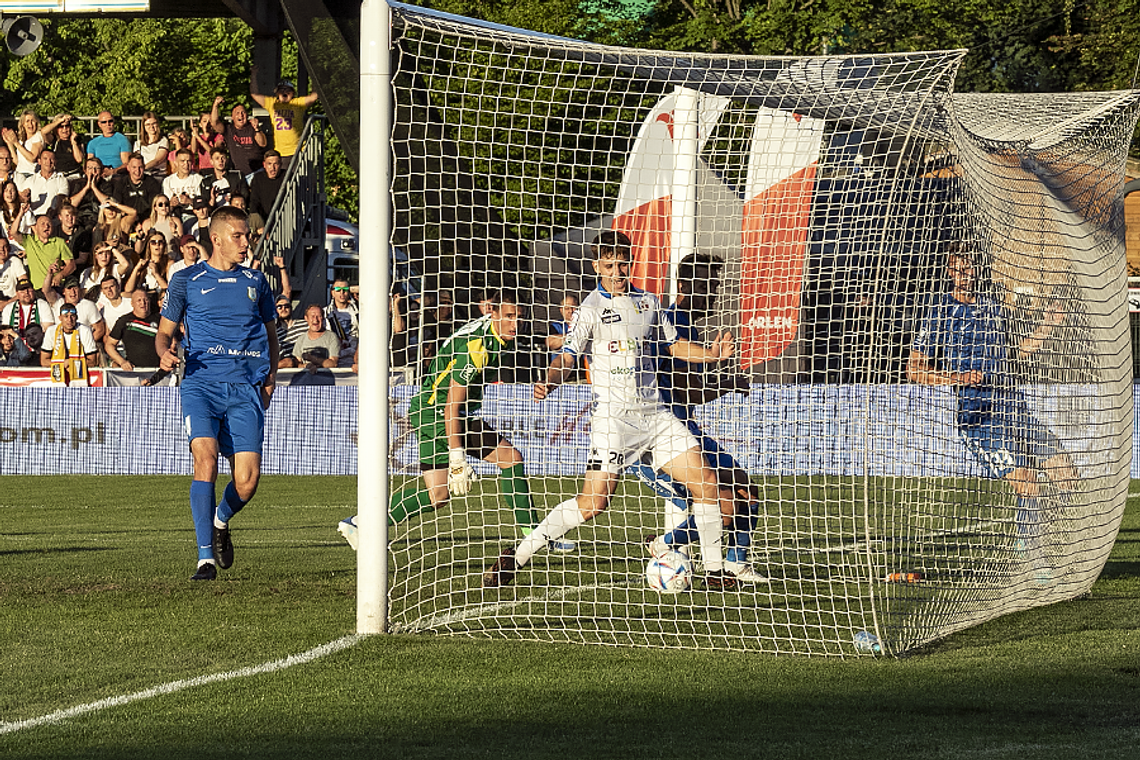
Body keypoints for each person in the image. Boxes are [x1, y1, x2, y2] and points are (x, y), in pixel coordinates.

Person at [482, 232, 737, 589]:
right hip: (615, 419)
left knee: (707, 482)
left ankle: (714, 572)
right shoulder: (588, 310)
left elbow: (675, 345)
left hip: (656, 415)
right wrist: (553, 379)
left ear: (630, 263)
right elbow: (568, 355)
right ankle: (518, 555)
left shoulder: (648, 302)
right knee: (593, 504)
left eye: (622, 264)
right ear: (596, 266)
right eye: (609, 265)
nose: (617, 272)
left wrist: (710, 354)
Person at [337, 289, 573, 554]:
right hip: (436, 413)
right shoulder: (478, 347)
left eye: (519, 316)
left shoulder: (499, 332)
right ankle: (360, 522)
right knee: (451, 489)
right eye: (508, 316)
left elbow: (537, 338)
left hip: (446, 412)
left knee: (500, 465)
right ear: (491, 313)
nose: (514, 323)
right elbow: (452, 405)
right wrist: (457, 459)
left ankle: (534, 535)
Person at [907, 248, 1076, 583]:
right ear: (950, 273)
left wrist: (1046, 326)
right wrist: (956, 378)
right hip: (978, 416)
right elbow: (914, 369)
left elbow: (1013, 354)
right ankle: (1032, 554)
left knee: (1066, 473)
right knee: (1027, 482)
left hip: (1013, 407)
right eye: (959, 269)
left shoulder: (993, 306)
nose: (967, 274)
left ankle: (1032, 531)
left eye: (970, 268)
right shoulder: (941, 310)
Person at [626, 253, 766, 583]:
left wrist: (723, 379)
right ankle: (664, 544)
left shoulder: (686, 322)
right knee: (725, 503)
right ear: (687, 284)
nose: (714, 292)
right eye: (708, 284)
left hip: (686, 429)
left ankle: (736, 562)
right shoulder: (672, 324)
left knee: (746, 490)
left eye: (715, 284)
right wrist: (727, 382)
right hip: (658, 438)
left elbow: (689, 391)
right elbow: (688, 392)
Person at [156, 205, 279, 581]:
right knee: (205, 459)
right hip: (200, 383)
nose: (246, 243)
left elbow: (272, 336)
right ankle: (205, 558)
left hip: (245, 387)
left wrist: (270, 376)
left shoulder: (256, 282)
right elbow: (165, 332)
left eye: (248, 236)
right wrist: (163, 352)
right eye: (239, 236)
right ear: (217, 239)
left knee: (247, 480)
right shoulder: (186, 280)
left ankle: (221, 520)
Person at [249, 70, 319, 172]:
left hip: (298, 151)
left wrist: (314, 73)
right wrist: (254, 74)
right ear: (277, 93)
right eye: (281, 90)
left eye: (288, 90)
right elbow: (255, 94)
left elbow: (314, 96)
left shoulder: (298, 103)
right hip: (281, 153)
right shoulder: (272, 103)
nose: (284, 92)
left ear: (293, 93)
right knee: (283, 181)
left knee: (301, 180)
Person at [40, 301, 98, 385]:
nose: (69, 320)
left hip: (80, 377)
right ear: (60, 318)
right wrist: (63, 364)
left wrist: (71, 364)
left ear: (77, 317)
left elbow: (93, 361)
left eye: (72, 316)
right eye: (66, 316)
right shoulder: (51, 331)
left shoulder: (85, 331)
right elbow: (44, 361)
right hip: (57, 378)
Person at [14, 213, 75, 293]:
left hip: (55, 287)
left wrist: (60, 275)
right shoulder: (29, 241)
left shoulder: (59, 242)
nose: (46, 226)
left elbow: (71, 265)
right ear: (36, 227)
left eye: (49, 224)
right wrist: (21, 213)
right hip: (38, 289)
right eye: (42, 224)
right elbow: (14, 232)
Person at [209, 96, 267, 176]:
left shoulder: (252, 127)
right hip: (238, 173)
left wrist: (257, 129)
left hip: (257, 172)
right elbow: (214, 123)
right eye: (237, 113)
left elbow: (263, 144)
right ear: (232, 117)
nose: (241, 115)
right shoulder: (229, 129)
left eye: (243, 112)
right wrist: (215, 105)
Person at [105, 287, 160, 370]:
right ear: (132, 303)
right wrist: (122, 362)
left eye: (145, 300)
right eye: (139, 300)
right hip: (134, 371)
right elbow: (109, 345)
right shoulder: (124, 321)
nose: (143, 303)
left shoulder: (160, 319)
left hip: (158, 370)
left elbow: (171, 340)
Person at [44, 272, 105, 342]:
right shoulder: (57, 302)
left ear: (79, 289)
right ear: (64, 291)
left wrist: (85, 346)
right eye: (69, 288)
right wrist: (49, 273)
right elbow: (46, 291)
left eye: (75, 288)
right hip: (60, 346)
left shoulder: (89, 305)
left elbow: (100, 329)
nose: (73, 292)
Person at [1, 277, 53, 351]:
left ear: (33, 291)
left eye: (29, 290)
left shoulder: (42, 304)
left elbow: (48, 329)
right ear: (17, 294)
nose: (26, 293)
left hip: (37, 349)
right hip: (16, 350)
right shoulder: (9, 308)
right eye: (22, 291)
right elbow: (5, 332)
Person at [112, 153, 163, 221]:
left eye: (140, 167)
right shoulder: (121, 183)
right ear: (128, 168)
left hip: (148, 220)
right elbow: (118, 205)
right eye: (134, 167)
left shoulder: (152, 183)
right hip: (128, 219)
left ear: (144, 167)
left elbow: (154, 206)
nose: (137, 171)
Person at [20, 147, 69, 216]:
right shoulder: (30, 180)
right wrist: (24, 196)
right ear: (39, 161)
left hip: (53, 217)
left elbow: (62, 200)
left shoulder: (62, 180)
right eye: (45, 159)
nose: (48, 162)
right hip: (34, 218)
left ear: (55, 162)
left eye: (51, 159)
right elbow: (22, 199)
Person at [292, 302, 341, 370]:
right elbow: (296, 364)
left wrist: (313, 359)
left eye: (319, 316)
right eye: (312, 316)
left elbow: (333, 364)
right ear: (306, 318)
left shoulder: (331, 337)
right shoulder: (301, 339)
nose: (315, 320)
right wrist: (306, 366)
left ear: (323, 318)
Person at [200, 146, 248, 210]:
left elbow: (245, 196)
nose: (221, 161)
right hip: (216, 214)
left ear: (227, 160)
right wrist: (212, 199)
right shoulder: (206, 182)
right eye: (217, 158)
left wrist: (233, 199)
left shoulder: (237, 176)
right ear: (211, 162)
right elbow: (205, 207)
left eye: (223, 158)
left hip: (235, 212)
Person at [324, 279, 359, 367]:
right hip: (334, 358)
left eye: (345, 290)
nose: (342, 293)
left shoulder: (358, 311)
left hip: (356, 358)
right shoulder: (325, 313)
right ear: (332, 293)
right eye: (338, 290)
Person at [248, 150, 284, 234]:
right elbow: (254, 202)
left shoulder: (287, 177)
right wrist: (259, 225)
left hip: (283, 219)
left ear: (280, 165)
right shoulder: (258, 178)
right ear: (264, 165)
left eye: (276, 164)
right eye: (269, 164)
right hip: (263, 220)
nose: (273, 168)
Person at [162, 148, 203, 220]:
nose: (186, 164)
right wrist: (171, 204)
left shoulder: (198, 179)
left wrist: (190, 201)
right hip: (173, 215)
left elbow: (203, 204)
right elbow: (165, 206)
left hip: (193, 214)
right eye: (182, 161)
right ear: (176, 163)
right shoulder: (168, 181)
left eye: (189, 161)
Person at [134, 112, 169, 178]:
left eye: (154, 123)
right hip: (142, 174)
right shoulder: (138, 143)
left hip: (158, 174)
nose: (151, 127)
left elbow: (158, 160)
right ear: (144, 127)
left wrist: (143, 168)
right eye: (148, 124)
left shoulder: (163, 141)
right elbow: (136, 160)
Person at [0, 235, 27, 306]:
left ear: (9, 249)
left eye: (4, 247)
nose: (2, 250)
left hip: (13, 301)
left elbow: (25, 285)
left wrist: (7, 303)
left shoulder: (15, 261)